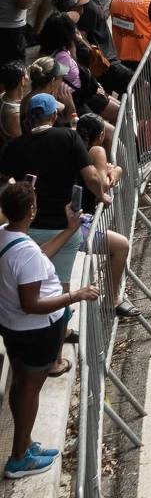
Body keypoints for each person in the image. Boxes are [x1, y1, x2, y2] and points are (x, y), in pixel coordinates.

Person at [0, 178, 95, 482]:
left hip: (14, 328)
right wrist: (73, 296)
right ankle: (18, 459)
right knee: (29, 389)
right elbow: (32, 303)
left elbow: (39, 254)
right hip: (35, 330)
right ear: (31, 210)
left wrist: (70, 229)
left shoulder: (6, 235)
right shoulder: (23, 252)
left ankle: (25, 444)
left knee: (21, 386)